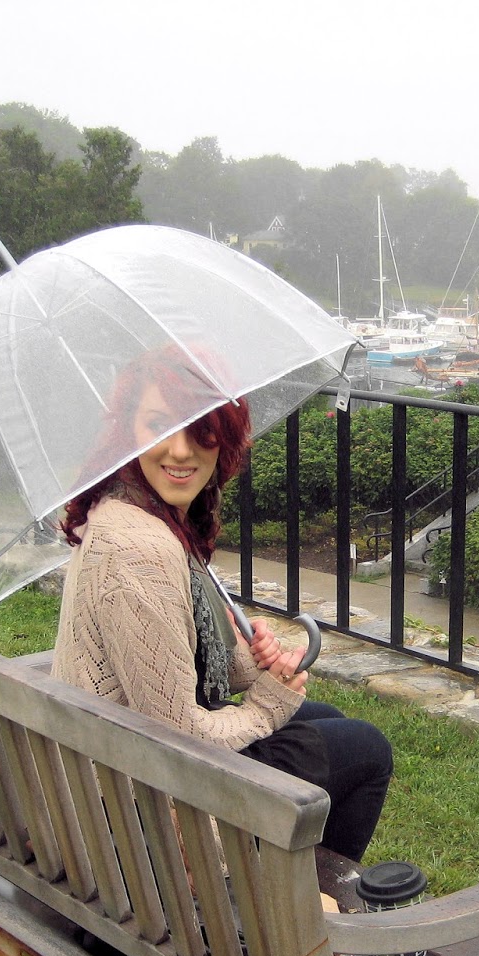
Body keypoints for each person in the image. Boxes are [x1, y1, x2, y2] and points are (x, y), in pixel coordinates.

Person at [51, 351, 391, 861]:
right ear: (128, 432)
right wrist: (265, 707)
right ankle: (296, 895)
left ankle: (287, 878)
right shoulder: (138, 549)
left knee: (321, 717)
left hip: (112, 770)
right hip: (139, 816)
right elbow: (179, 734)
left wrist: (248, 663)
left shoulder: (132, 508)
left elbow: (168, 660)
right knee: (366, 749)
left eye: (200, 429)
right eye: (159, 426)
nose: (180, 449)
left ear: (223, 435)